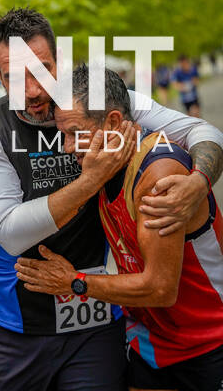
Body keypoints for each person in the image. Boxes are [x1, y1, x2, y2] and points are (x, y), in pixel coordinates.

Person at [0, 8, 223, 391]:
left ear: (59, 61)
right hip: (16, 318)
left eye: (42, 71)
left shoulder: (97, 103)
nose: (31, 90)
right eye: (14, 77)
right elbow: (11, 233)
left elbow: (203, 132)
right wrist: (92, 180)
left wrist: (199, 181)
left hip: (95, 315)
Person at [15, 65, 223, 391]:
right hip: (150, 342)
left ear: (113, 123)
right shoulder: (103, 164)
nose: (67, 147)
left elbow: (160, 288)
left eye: (75, 133)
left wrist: (73, 283)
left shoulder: (158, 176)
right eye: (62, 134)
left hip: (207, 343)